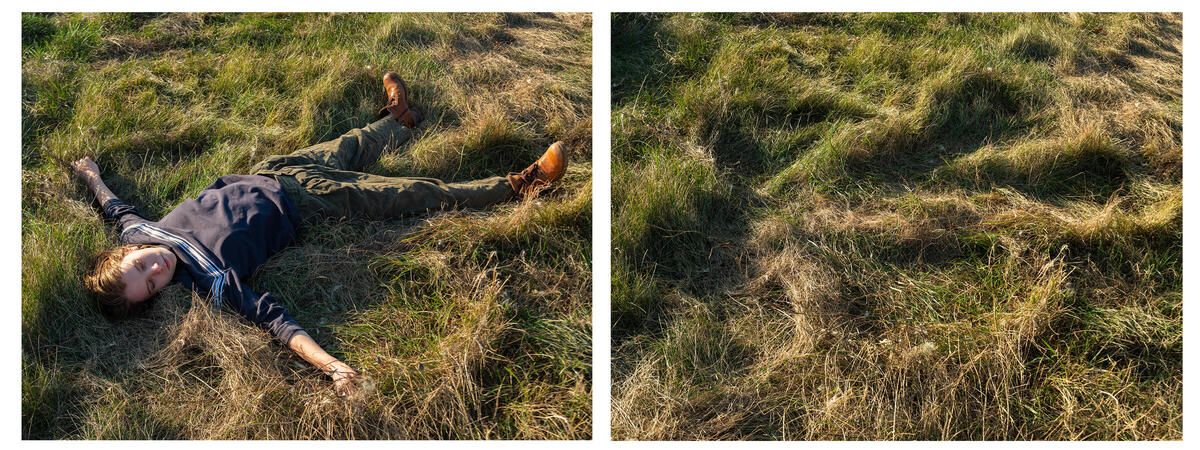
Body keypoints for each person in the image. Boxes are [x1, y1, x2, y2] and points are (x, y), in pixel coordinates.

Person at [71, 71, 568, 393]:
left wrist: (91, 174)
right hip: (307, 201)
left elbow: (113, 206)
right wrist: (331, 367)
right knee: (413, 192)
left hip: (274, 168)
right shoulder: (210, 283)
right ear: (158, 296)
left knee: (353, 142)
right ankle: (521, 184)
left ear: (128, 252)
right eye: (152, 284)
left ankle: (400, 117)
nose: (156, 267)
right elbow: (274, 321)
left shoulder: (139, 231)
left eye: (141, 264)